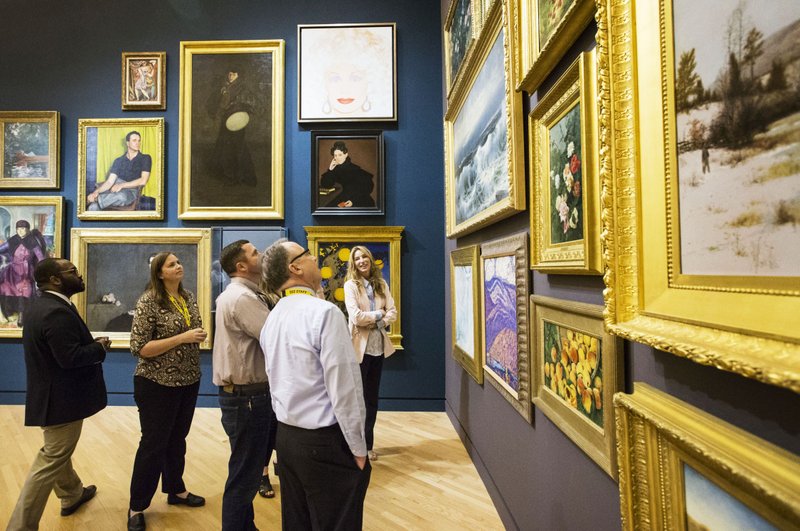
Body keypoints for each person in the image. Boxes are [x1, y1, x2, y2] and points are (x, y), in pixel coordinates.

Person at [259, 239, 371, 530]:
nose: (313, 258)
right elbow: (345, 389)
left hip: (287, 438)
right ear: (295, 267)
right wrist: (359, 450)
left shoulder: (273, 317)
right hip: (325, 443)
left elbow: (275, 381)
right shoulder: (324, 313)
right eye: (307, 254)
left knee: (298, 522)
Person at [7, 258, 111, 530]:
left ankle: (71, 494)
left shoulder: (41, 305)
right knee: (50, 460)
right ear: (55, 279)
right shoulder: (55, 311)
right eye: (73, 271)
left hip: (51, 396)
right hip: (62, 400)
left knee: (56, 452)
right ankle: (20, 526)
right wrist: (99, 348)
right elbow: (70, 357)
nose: (79, 275)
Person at [127, 252, 207, 531]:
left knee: (177, 439)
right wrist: (183, 337)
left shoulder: (188, 297)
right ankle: (137, 506)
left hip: (188, 379)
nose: (179, 266)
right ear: (160, 273)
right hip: (156, 383)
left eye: (178, 262)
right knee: (153, 445)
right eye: (171, 264)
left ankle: (176, 490)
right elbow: (140, 347)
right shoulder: (149, 301)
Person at [212, 240, 277, 530]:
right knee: (244, 476)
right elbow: (276, 337)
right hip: (248, 398)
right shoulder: (242, 299)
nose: (260, 255)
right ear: (241, 266)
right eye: (254, 253)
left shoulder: (245, 294)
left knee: (246, 471)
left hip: (246, 397)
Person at [343, 246, 397, 461]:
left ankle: (368, 444)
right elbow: (356, 317)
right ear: (353, 263)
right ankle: (354, 445)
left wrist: (380, 320)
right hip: (359, 350)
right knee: (357, 400)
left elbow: (393, 312)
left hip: (377, 349)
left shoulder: (381, 284)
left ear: (370, 259)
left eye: (364, 256)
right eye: (357, 258)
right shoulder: (350, 286)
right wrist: (378, 314)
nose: (362, 260)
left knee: (371, 399)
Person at [207, 69, 257, 185]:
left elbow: (250, 102)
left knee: (238, 148)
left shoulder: (242, 88)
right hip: (226, 121)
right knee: (225, 147)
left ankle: (246, 177)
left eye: (233, 74)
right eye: (229, 74)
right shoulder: (224, 87)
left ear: (238, 75)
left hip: (237, 121)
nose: (230, 76)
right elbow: (218, 104)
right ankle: (228, 175)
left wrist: (236, 105)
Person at [86, 131, 151, 211]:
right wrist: (96, 192)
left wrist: (122, 185)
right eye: (134, 140)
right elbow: (110, 182)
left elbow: (143, 180)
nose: (137, 143)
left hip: (131, 191)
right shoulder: (119, 160)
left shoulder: (145, 158)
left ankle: (91, 200)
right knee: (93, 207)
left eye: (139, 140)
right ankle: (93, 201)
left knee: (122, 197)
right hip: (113, 190)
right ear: (128, 143)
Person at [0, 219, 49, 325]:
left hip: (27, 272)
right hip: (12, 272)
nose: (21, 231)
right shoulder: (12, 240)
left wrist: (42, 268)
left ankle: (22, 317)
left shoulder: (32, 242)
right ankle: (8, 313)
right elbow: (1, 249)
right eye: (19, 229)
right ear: (16, 230)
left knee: (25, 293)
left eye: (23, 228)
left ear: (28, 230)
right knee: (6, 289)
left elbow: (40, 257)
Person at [320, 141, 375, 208]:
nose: (337, 158)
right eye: (335, 155)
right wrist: (330, 169)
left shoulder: (355, 169)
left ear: (346, 154)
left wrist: (353, 201)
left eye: (340, 155)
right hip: (342, 197)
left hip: (357, 199)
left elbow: (368, 187)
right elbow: (326, 185)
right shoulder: (335, 169)